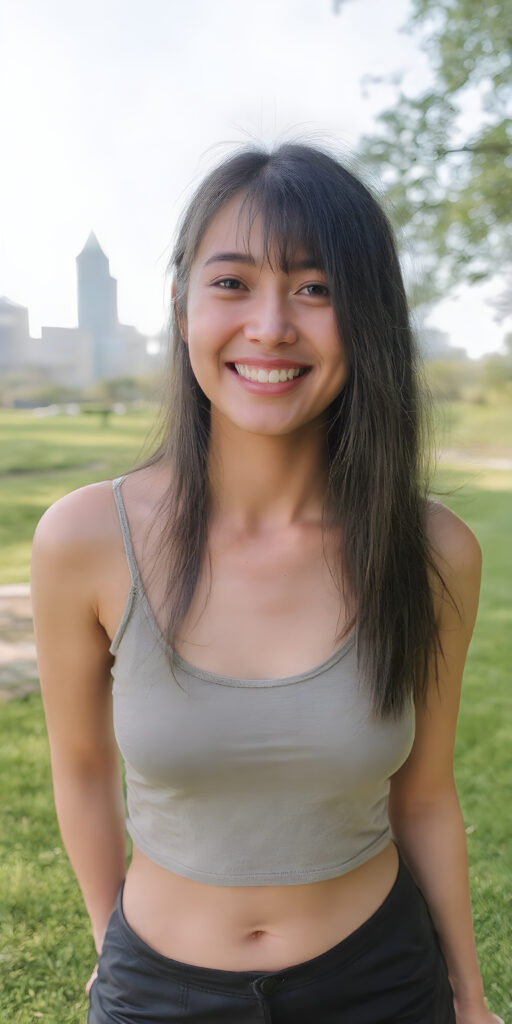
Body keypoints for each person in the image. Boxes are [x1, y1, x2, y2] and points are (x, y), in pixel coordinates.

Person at [31, 142, 503, 1024]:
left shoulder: (433, 550)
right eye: (233, 283)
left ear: (366, 320)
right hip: (159, 992)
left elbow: (428, 793)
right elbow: (84, 768)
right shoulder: (87, 540)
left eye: (316, 289)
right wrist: (113, 945)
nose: (273, 326)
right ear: (181, 312)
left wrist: (468, 997)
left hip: (383, 986)